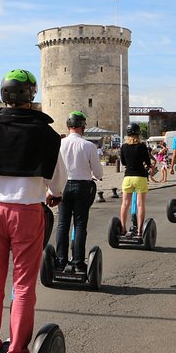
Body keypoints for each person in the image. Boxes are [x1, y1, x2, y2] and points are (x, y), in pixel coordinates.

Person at [0, 69, 67, 353]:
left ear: (3, 95)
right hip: (27, 212)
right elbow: (56, 180)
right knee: (23, 287)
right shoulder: (46, 134)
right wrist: (55, 195)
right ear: (30, 95)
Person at [55, 111, 103, 273]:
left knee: (62, 224)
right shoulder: (89, 146)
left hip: (62, 186)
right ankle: (77, 262)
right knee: (80, 224)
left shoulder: (59, 144)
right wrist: (97, 176)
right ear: (83, 127)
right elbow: (98, 172)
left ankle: (60, 261)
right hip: (82, 186)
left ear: (68, 126)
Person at [119, 122, 151, 237]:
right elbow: (148, 162)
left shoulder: (123, 147)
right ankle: (139, 231)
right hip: (140, 177)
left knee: (125, 204)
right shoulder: (142, 146)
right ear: (138, 133)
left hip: (127, 177)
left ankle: (123, 229)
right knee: (140, 205)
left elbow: (123, 162)